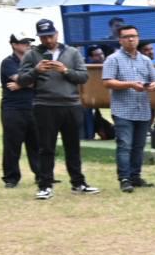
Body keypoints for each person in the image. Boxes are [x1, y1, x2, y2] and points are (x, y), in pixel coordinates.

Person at [17, 19, 97, 200]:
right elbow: (21, 80)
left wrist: (65, 70)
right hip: (44, 105)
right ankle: (45, 185)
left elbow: (83, 77)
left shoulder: (72, 52)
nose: (48, 40)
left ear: (57, 34)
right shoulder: (31, 54)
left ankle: (78, 182)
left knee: (73, 146)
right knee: (46, 147)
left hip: (71, 105)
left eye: (50, 36)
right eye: (43, 37)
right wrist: (36, 71)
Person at [103, 23, 155, 192]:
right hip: (122, 109)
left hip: (143, 109)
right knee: (124, 145)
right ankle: (124, 178)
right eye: (126, 37)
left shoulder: (145, 60)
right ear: (120, 40)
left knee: (139, 145)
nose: (131, 39)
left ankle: (135, 176)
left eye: (134, 36)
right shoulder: (113, 59)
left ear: (138, 38)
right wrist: (129, 84)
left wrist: (153, 85)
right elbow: (107, 82)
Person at [0, 33, 43, 190]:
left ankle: (41, 175)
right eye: (24, 42)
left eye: (29, 42)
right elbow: (27, 80)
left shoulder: (33, 62)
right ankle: (11, 178)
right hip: (13, 108)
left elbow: (42, 82)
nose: (27, 45)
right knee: (12, 145)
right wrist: (26, 82)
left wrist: (21, 84)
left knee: (36, 143)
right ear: (14, 45)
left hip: (34, 106)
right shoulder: (8, 62)